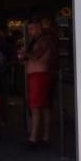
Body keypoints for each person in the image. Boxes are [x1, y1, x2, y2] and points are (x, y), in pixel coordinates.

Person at [21, 19, 54, 149]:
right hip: (37, 76)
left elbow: (36, 56)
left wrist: (24, 53)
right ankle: (44, 137)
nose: (30, 32)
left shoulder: (43, 41)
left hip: (39, 76)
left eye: (32, 29)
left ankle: (34, 138)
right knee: (43, 107)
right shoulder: (36, 41)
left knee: (36, 107)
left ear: (39, 28)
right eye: (29, 29)